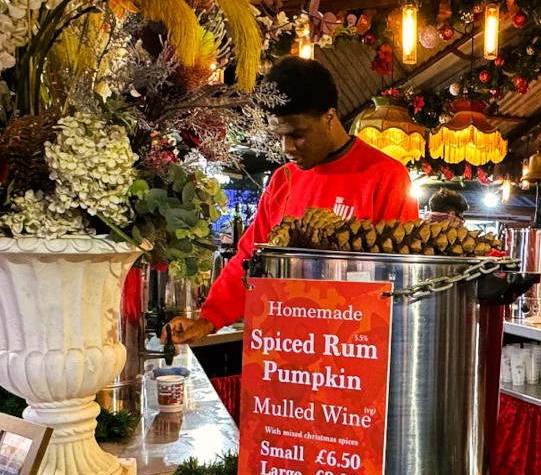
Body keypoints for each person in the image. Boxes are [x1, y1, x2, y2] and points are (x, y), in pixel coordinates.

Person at [167, 57, 418, 343]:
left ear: (329, 116)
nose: (287, 148)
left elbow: (402, 278)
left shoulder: (385, 176)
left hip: (355, 348)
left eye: (297, 135)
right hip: (286, 347)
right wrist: (209, 318)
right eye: (279, 137)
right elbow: (250, 257)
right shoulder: (282, 180)